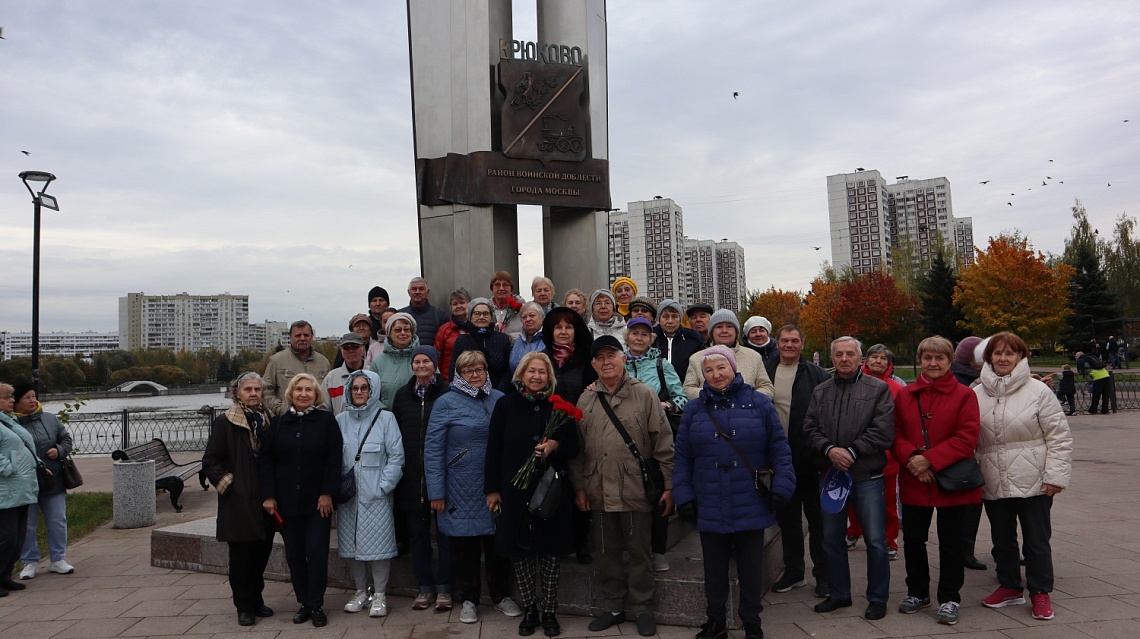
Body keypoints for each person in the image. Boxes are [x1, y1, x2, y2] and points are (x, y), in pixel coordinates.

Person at [674, 347, 795, 639]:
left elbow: (779, 448)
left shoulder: (759, 403)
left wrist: (782, 486)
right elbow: (682, 458)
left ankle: (751, 621)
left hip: (749, 499)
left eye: (721, 368)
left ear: (733, 368)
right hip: (709, 499)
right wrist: (684, 495)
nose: (716, 375)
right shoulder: (694, 409)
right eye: (709, 370)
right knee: (713, 569)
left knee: (751, 568)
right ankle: (715, 621)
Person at [571, 336, 674, 637]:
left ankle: (642, 608)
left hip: (635, 489)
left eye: (611, 355)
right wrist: (579, 487)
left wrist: (670, 485)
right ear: (593, 364)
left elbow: (663, 443)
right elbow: (577, 450)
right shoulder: (585, 400)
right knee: (606, 551)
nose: (606, 362)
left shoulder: (644, 394)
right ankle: (614, 606)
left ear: (623, 358)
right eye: (600, 357)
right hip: (599, 489)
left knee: (640, 552)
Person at [975, 332, 1072, 622]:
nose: (1003, 358)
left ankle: (1040, 591)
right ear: (989, 357)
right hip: (993, 477)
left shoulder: (1038, 391)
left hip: (1034, 478)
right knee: (1002, 538)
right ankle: (1009, 586)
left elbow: (1059, 436)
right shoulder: (977, 393)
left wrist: (1055, 476)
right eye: (997, 353)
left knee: (1036, 539)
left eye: (1010, 353)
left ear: (1020, 357)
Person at [485, 352, 580, 637]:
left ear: (549, 377)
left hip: (550, 492)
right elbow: (494, 449)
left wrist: (555, 444)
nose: (537, 376)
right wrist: (492, 489)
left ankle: (549, 610)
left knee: (550, 554)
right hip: (514, 490)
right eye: (531, 371)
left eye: (542, 372)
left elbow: (574, 446)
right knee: (521, 552)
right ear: (521, 374)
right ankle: (530, 609)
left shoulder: (558, 405)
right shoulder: (505, 404)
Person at [424, 351, 521, 624]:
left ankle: (501, 596)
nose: (475, 375)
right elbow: (433, 450)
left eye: (479, 369)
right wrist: (436, 492)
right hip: (459, 488)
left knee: (498, 547)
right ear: (459, 374)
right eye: (468, 371)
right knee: (465, 549)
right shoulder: (445, 403)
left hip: (496, 486)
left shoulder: (499, 398)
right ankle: (469, 600)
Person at [892, 336, 983, 626]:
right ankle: (918, 592)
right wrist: (913, 460)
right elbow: (894, 433)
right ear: (920, 360)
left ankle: (949, 597)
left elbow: (967, 437)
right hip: (915, 479)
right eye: (927, 357)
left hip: (951, 480)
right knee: (913, 540)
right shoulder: (905, 395)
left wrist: (929, 459)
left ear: (949, 361)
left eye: (939, 358)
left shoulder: (965, 395)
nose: (933, 363)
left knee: (951, 542)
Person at [802, 336, 894, 621]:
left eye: (849, 354)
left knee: (876, 540)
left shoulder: (878, 389)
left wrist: (852, 451)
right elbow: (809, 427)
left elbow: (883, 430)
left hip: (867, 476)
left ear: (859, 358)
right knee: (832, 539)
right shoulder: (821, 390)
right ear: (832, 358)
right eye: (839, 354)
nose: (844, 358)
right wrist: (829, 450)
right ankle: (839, 592)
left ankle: (877, 597)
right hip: (831, 475)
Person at [259, 373, 342, 628]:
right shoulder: (279, 423)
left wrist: (327, 493)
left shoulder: (326, 421)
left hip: (317, 503)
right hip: (287, 503)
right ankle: (303, 602)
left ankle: (316, 604)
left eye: (308, 390)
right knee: (294, 555)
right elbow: (267, 460)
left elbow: (334, 459)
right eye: (299, 390)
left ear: (316, 395)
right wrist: (269, 495)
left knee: (316, 554)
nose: (303, 394)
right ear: (291, 394)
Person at [202, 372, 277, 626]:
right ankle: (243, 606)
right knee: (241, 558)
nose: (254, 393)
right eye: (248, 389)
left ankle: (256, 600)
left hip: (264, 500)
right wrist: (232, 485)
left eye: (257, 389)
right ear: (238, 393)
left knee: (261, 553)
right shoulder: (226, 421)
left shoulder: (267, 418)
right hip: (238, 502)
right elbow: (210, 461)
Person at [765, 325, 832, 598]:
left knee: (818, 521)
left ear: (802, 344)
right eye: (784, 340)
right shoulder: (766, 371)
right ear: (777, 343)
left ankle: (823, 575)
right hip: (780, 461)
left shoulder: (816, 375)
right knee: (788, 520)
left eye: (795, 340)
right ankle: (794, 571)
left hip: (811, 459)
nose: (789, 345)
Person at [336, 370, 405, 618]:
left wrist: (383, 487)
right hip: (349, 496)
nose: (359, 392)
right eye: (354, 388)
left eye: (364, 388)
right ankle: (360, 591)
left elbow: (396, 457)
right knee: (352, 546)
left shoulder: (385, 418)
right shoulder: (340, 420)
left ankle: (380, 594)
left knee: (379, 547)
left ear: (372, 390)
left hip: (376, 495)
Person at [392, 346, 455, 612]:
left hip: (442, 476)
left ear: (435, 364)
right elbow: (395, 434)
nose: (421, 365)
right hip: (411, 478)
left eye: (426, 361)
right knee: (418, 537)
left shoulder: (448, 393)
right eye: (416, 361)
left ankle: (445, 588)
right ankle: (425, 587)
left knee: (445, 537)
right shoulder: (402, 395)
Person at [623, 316, 686, 572]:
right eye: (634, 333)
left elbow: (681, 398)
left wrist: (666, 405)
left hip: (654, 436)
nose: (639, 338)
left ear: (650, 339)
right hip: (624, 437)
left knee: (658, 490)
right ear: (627, 337)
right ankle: (631, 549)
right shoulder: (617, 362)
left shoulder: (661, 364)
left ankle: (658, 550)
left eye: (644, 334)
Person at [541, 306, 597, 564]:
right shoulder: (542, 358)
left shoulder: (586, 359)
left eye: (568, 327)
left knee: (579, 484)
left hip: (580, 428)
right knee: (553, 485)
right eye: (558, 327)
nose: (563, 332)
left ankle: (581, 542)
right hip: (548, 429)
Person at [845, 344, 903, 561]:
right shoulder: (853, 384)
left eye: (883, 358)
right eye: (874, 357)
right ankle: (854, 530)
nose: (878, 361)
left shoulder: (897, 389)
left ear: (889, 364)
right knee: (853, 498)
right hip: (856, 453)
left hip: (886, 457)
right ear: (866, 360)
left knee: (887, 502)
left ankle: (889, 541)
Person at [15, 383, 74, 579]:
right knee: (27, 524)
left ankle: (58, 559)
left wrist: (59, 450)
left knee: (57, 519)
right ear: (16, 402)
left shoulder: (49, 419)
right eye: (27, 397)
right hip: (24, 483)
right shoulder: (10, 424)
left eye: (34, 396)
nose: (33, 400)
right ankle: (29, 562)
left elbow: (66, 440)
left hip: (52, 480)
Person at [950, 336, 988, 571]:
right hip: (968, 452)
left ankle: (967, 551)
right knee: (970, 506)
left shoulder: (980, 378)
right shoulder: (964, 383)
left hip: (983, 450)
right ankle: (965, 551)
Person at [682, 310, 774, 400]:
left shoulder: (753, 356)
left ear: (736, 332)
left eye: (729, 326)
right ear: (711, 332)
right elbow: (687, 390)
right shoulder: (697, 358)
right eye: (719, 327)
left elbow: (767, 388)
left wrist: (745, 397)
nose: (724, 331)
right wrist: (713, 395)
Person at [0, 383, 38, 598]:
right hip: (6, 489)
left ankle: (5, 575)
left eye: (12, 397)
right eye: (6, 397)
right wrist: (8, 468)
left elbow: (24, 446)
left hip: (21, 487)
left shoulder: (10, 421)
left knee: (17, 536)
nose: (12, 401)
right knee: (6, 536)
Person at [262, 320, 331, 416]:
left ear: (312, 337)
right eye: (298, 335)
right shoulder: (276, 361)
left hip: (317, 419)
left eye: (306, 335)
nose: (302, 338)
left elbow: (329, 392)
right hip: (286, 419)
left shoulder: (323, 362)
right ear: (290, 337)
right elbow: (266, 391)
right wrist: (283, 410)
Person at [451, 298, 514, 392]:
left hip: (499, 393)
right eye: (477, 313)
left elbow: (508, 370)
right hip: (468, 393)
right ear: (470, 317)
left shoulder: (502, 339)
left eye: (485, 313)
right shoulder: (462, 340)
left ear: (491, 317)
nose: (481, 317)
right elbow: (454, 369)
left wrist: (498, 392)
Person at [370, 312, 420, 410]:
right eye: (398, 330)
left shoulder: (424, 358)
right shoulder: (378, 362)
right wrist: (385, 413)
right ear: (389, 333)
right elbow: (370, 393)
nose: (403, 333)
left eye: (407, 329)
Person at [653, 300, 704, 382]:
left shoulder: (693, 340)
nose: (670, 321)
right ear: (659, 319)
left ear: (680, 319)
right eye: (665, 316)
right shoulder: (651, 339)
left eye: (674, 316)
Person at [323, 333, 369, 415]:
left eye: (355, 346)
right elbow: (323, 409)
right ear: (341, 351)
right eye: (346, 347)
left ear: (363, 350)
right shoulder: (331, 378)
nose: (351, 350)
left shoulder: (373, 374)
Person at [435, 288, 472, 383]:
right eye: (455, 304)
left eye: (462, 303)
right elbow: (437, 357)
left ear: (469, 304)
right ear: (451, 307)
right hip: (450, 380)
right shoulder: (444, 330)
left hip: (475, 378)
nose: (458, 306)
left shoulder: (477, 327)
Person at [402, 277, 451, 347]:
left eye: (421, 289)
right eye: (414, 289)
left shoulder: (440, 315)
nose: (417, 292)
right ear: (408, 292)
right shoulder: (400, 315)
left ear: (427, 292)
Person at [509, 302, 546, 374]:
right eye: (524, 317)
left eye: (532, 315)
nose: (528, 319)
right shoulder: (518, 341)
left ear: (541, 318)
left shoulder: (548, 339)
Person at [490, 271, 526, 338]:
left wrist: (510, 338)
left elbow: (529, 332)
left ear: (511, 289)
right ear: (492, 289)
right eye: (497, 285)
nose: (501, 288)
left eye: (505, 285)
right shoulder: (486, 309)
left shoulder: (523, 309)